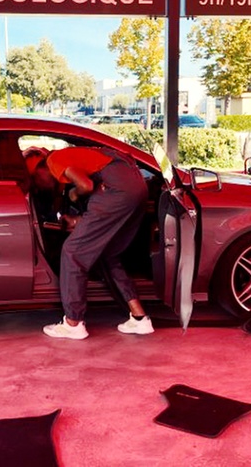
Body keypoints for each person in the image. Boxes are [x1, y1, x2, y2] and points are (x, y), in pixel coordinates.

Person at [25, 146, 154, 340]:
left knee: (72, 252)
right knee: (108, 254)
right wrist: (80, 221)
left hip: (117, 191)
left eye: (35, 178)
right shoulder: (77, 155)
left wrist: (74, 195)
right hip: (136, 189)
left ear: (42, 168)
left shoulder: (54, 160)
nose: (37, 185)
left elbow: (85, 185)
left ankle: (73, 323)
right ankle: (140, 318)